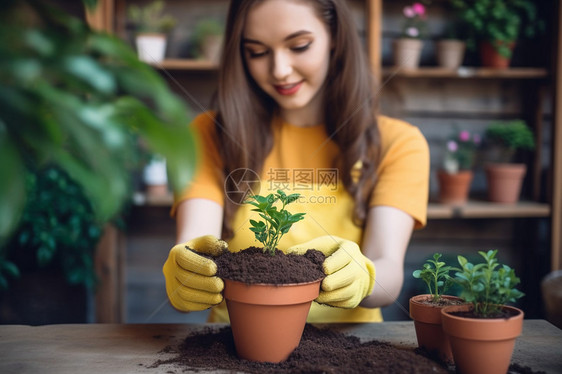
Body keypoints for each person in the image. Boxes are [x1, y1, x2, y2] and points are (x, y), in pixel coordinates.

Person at [163, 0, 429, 323]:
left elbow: (388, 270)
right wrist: (185, 271)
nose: (279, 70)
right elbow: (194, 243)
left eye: (299, 46)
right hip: (234, 346)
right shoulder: (209, 134)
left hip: (351, 350)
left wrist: (365, 275)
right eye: (257, 52)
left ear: (335, 37)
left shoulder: (397, 142)